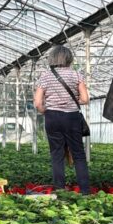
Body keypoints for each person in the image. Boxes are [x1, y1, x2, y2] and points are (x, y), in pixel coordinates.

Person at [33, 45, 90, 194]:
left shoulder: (45, 76)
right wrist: (72, 101)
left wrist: (46, 111)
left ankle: (60, 190)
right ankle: (85, 191)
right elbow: (85, 99)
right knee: (78, 154)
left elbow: (37, 103)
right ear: (69, 58)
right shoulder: (76, 75)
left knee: (56, 154)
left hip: (52, 117)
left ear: (52, 58)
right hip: (72, 117)